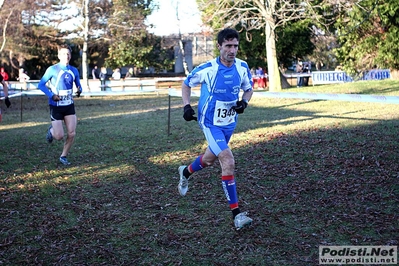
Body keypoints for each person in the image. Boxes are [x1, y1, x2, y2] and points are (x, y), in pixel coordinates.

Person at [178, 28, 254, 230]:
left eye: (235, 46)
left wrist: (244, 103)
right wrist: (186, 106)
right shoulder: (208, 68)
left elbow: (248, 89)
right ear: (219, 46)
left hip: (229, 123)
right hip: (210, 122)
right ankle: (237, 215)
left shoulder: (242, 67)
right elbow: (186, 85)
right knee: (227, 160)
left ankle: (185, 172)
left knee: (209, 159)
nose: (232, 50)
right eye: (228, 46)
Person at [38, 44, 82, 166]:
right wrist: (52, 95)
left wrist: (79, 90)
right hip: (56, 106)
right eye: (63, 54)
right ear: (59, 55)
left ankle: (63, 156)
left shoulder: (74, 70)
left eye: (68, 54)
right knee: (59, 136)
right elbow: (41, 85)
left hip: (69, 105)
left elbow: (78, 85)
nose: (66, 56)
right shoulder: (52, 69)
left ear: (70, 55)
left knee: (72, 133)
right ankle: (52, 131)